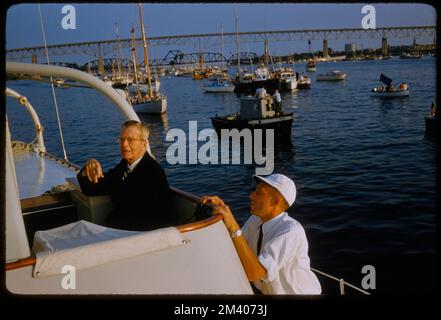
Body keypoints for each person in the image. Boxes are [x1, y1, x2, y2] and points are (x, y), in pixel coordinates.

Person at [200, 174, 321, 295]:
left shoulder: (290, 232)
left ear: (275, 201)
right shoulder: (256, 220)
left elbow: (255, 273)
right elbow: (236, 246)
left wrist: (233, 225)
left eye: (258, 192)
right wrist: (220, 214)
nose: (251, 195)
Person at [77, 120, 176, 231]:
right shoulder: (125, 165)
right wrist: (89, 166)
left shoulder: (153, 173)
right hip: (117, 230)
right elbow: (92, 189)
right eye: (122, 139)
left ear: (144, 144)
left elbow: (157, 217)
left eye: (130, 140)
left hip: (134, 236)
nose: (124, 144)